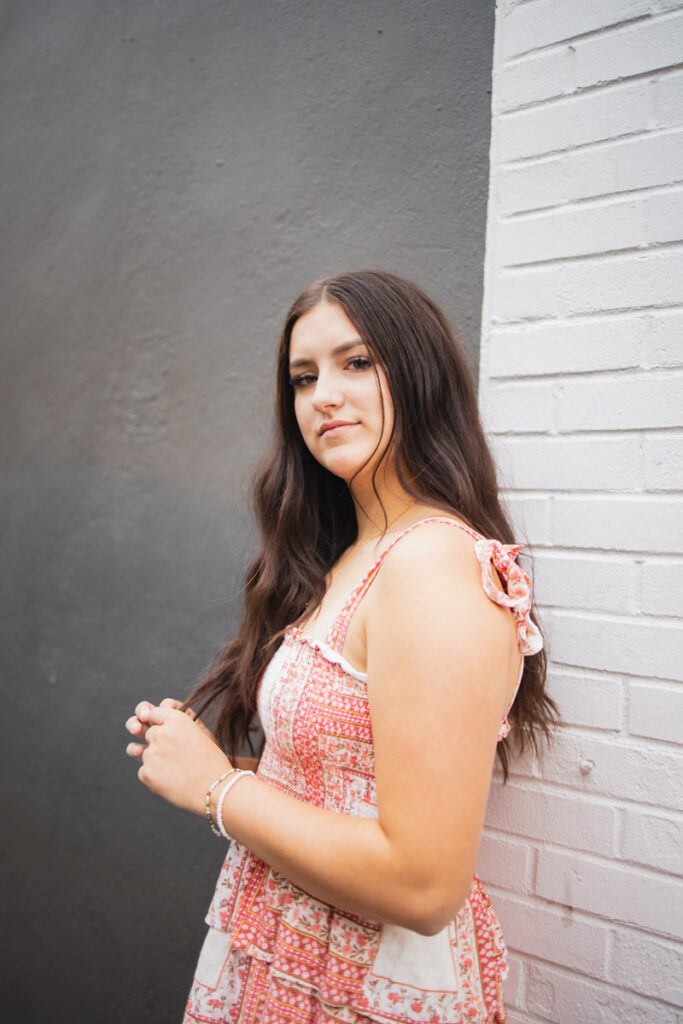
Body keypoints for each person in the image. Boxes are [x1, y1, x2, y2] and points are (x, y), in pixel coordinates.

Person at [125, 269, 556, 1024]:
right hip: (288, 959)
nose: (323, 395)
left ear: (421, 376)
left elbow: (424, 886)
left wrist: (218, 790)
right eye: (303, 377)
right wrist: (218, 766)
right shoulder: (352, 556)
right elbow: (352, 785)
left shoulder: (431, 562)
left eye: (356, 362)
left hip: (360, 985)